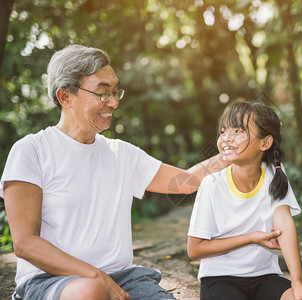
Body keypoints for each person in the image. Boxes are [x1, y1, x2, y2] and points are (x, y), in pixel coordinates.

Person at [0, 45, 282, 300]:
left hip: (123, 278)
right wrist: (94, 276)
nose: (113, 102)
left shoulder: (121, 153)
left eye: (115, 92)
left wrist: (231, 153)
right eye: (103, 92)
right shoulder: (32, 150)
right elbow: (25, 244)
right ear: (65, 96)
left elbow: (185, 182)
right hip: (51, 282)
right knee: (89, 291)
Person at [187, 101, 302, 300]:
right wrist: (250, 237)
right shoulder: (211, 184)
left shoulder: (274, 174)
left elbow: (284, 224)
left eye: (237, 131)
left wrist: (298, 282)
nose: (226, 138)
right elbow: (194, 250)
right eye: (223, 131)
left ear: (265, 143)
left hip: (265, 278)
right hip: (220, 280)